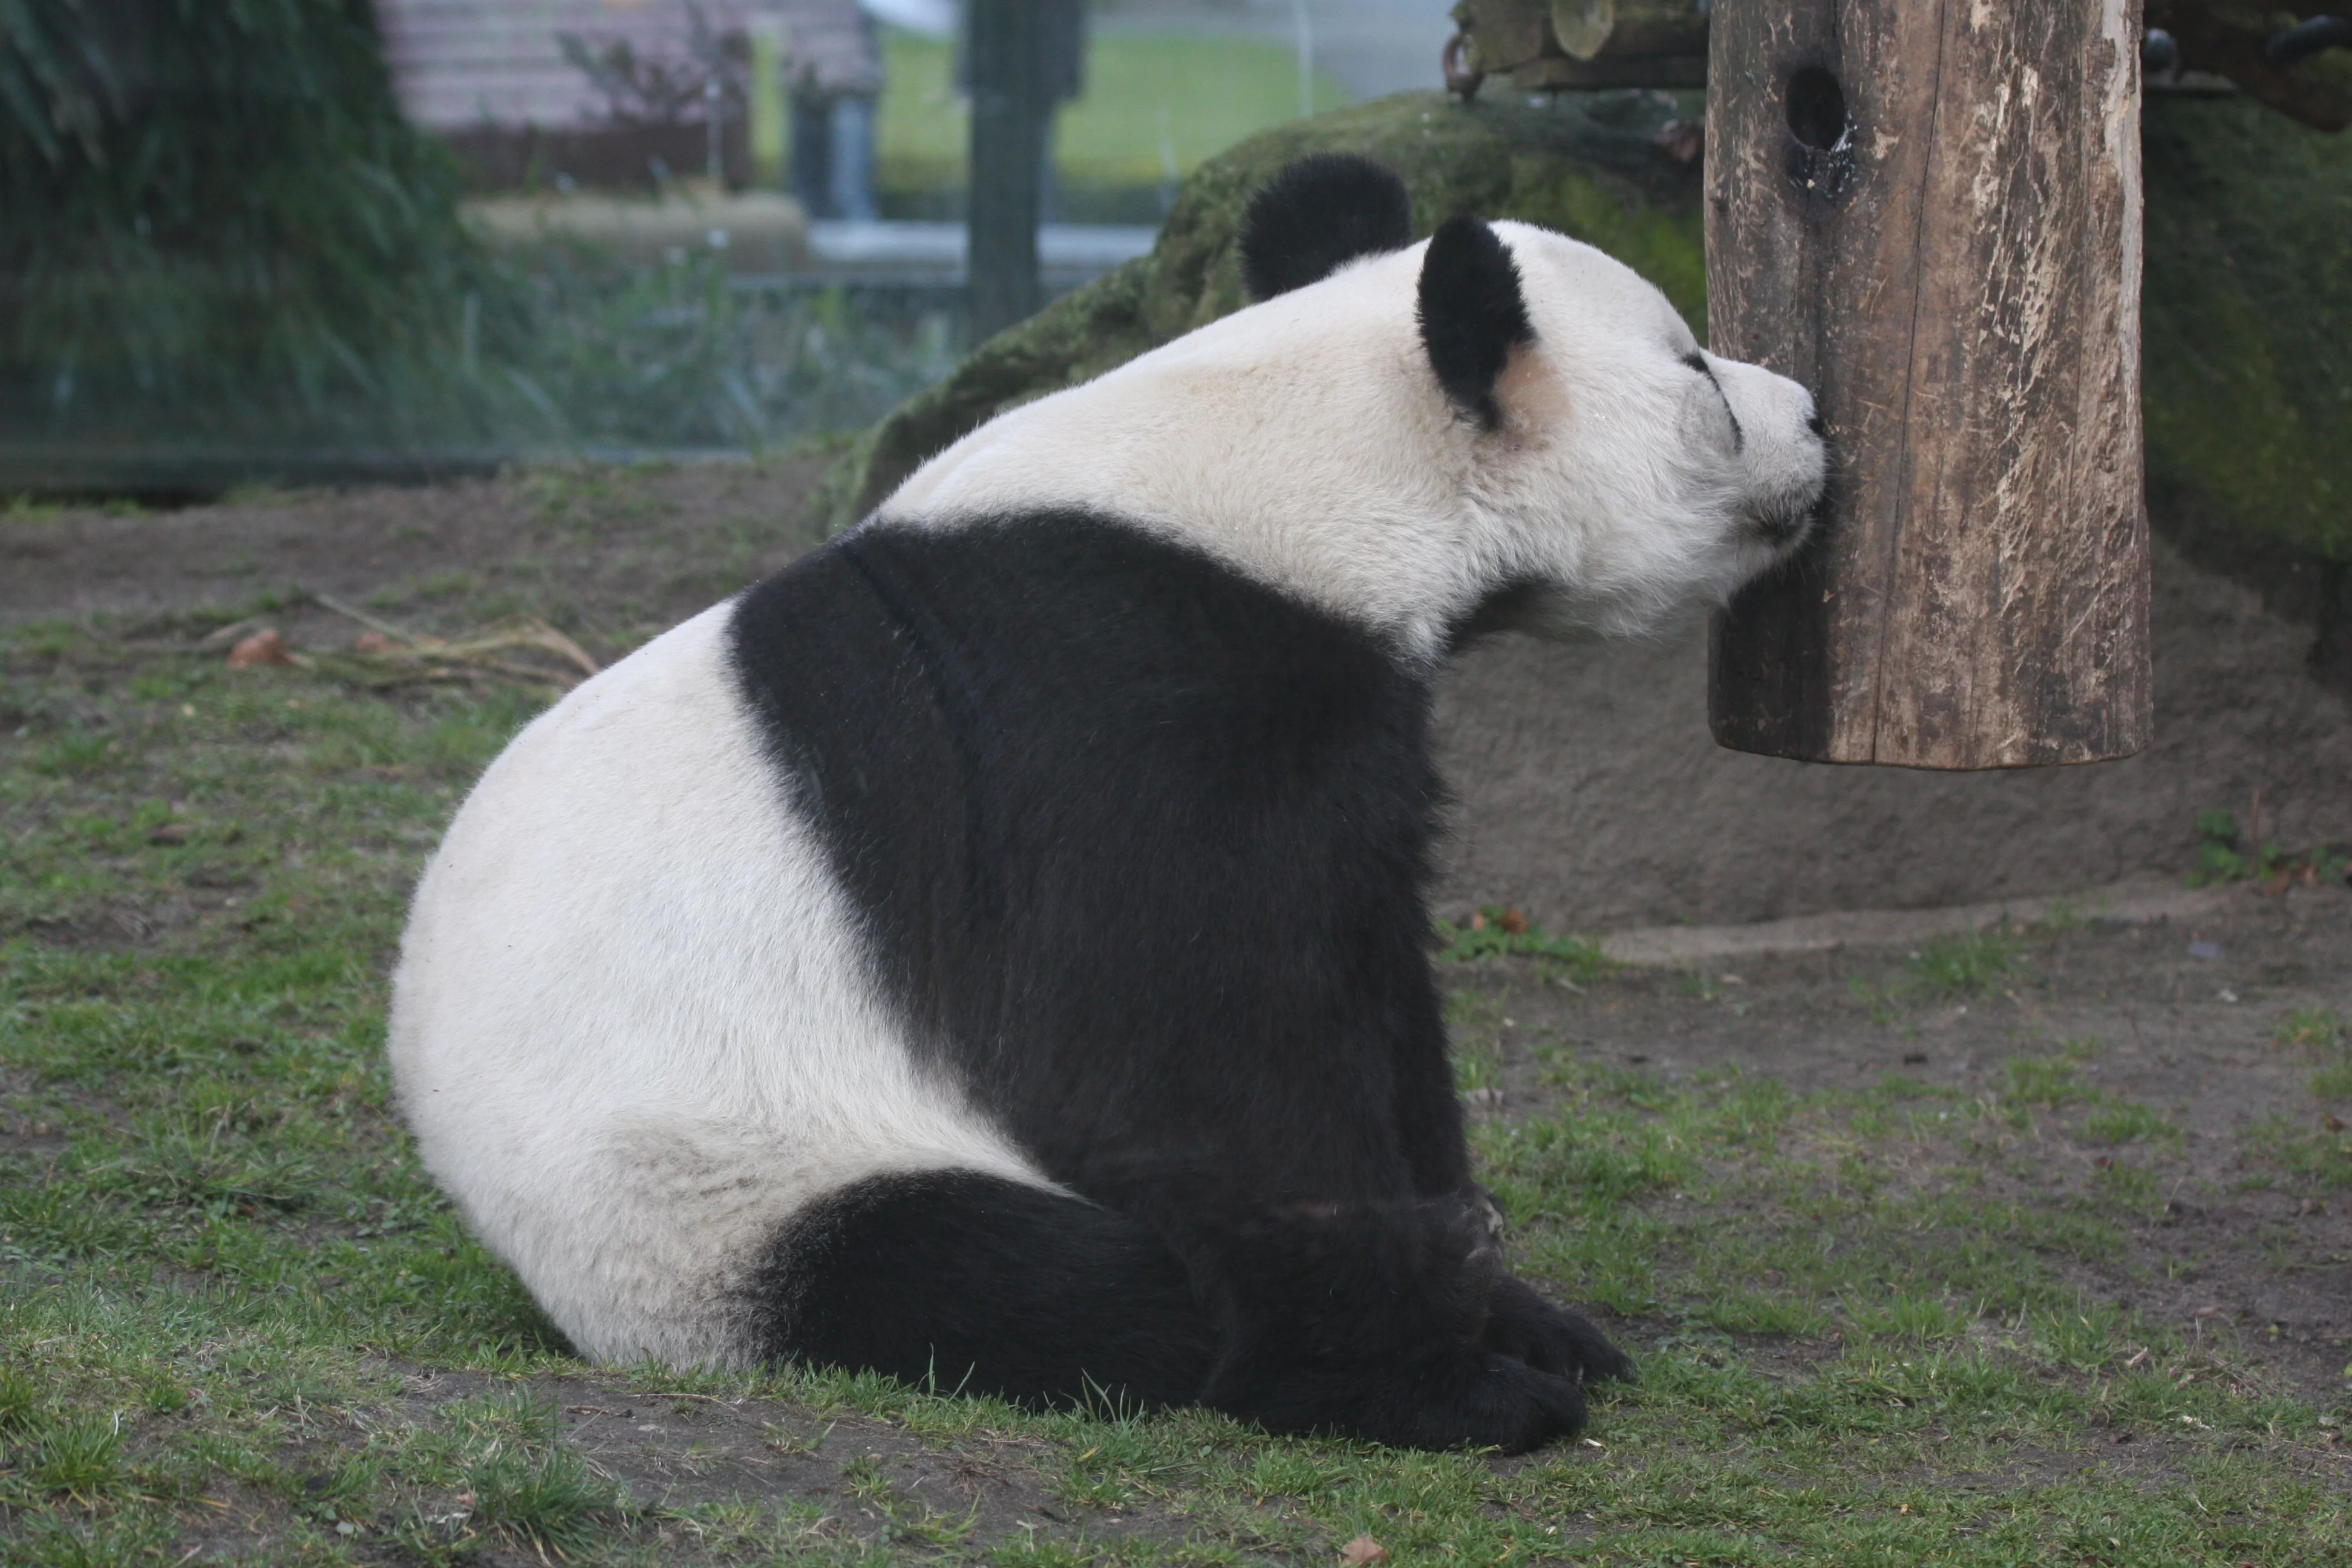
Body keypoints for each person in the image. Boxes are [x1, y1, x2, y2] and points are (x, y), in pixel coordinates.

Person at [777, 0, 882, 220]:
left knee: (848, 191)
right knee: (806, 191)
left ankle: (862, 247)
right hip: (804, 85)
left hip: (849, 85)